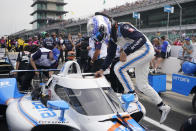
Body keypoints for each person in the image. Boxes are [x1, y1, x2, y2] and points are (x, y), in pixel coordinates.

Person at [89, 13, 170, 123]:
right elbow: (110, 55)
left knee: (118, 68)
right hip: (142, 53)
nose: (100, 37)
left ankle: (132, 96)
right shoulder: (112, 37)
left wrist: (126, 52)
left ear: (105, 26)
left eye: (100, 33)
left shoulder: (122, 27)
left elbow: (141, 39)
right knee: (143, 85)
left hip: (145, 49)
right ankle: (163, 106)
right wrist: (102, 70)